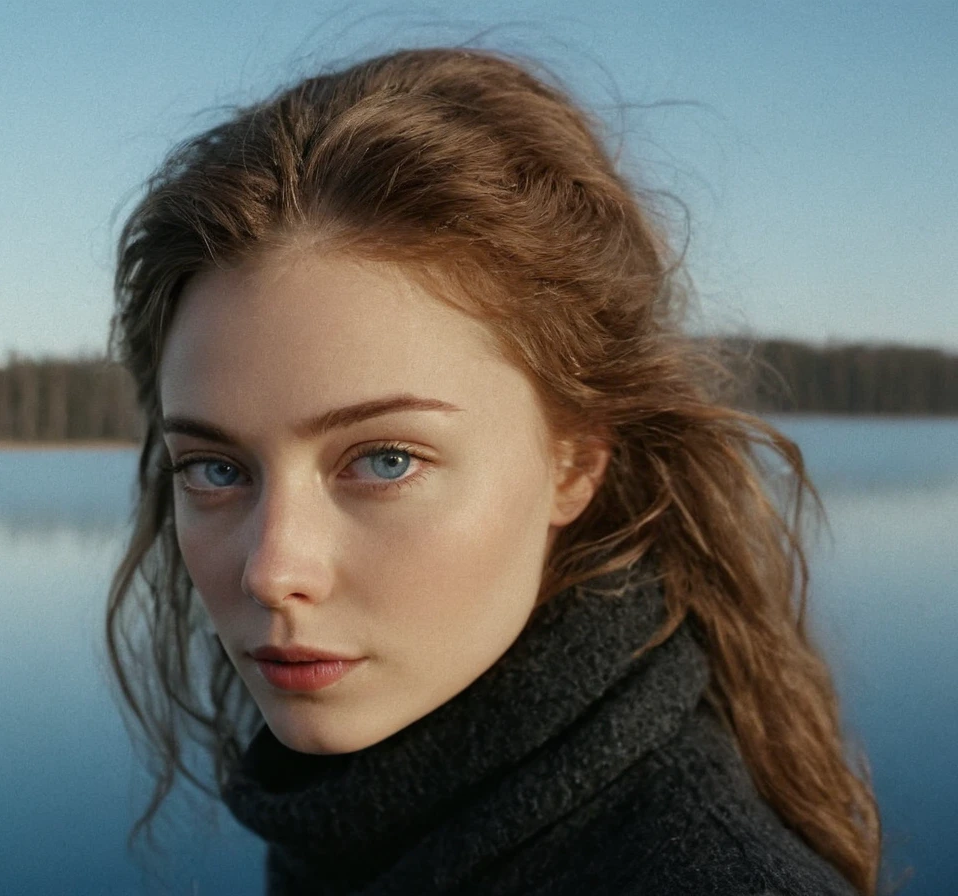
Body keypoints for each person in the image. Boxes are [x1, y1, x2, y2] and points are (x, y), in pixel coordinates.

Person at [106, 47, 881, 895]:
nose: (272, 570)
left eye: (385, 460)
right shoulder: (364, 823)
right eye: (215, 470)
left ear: (574, 461)